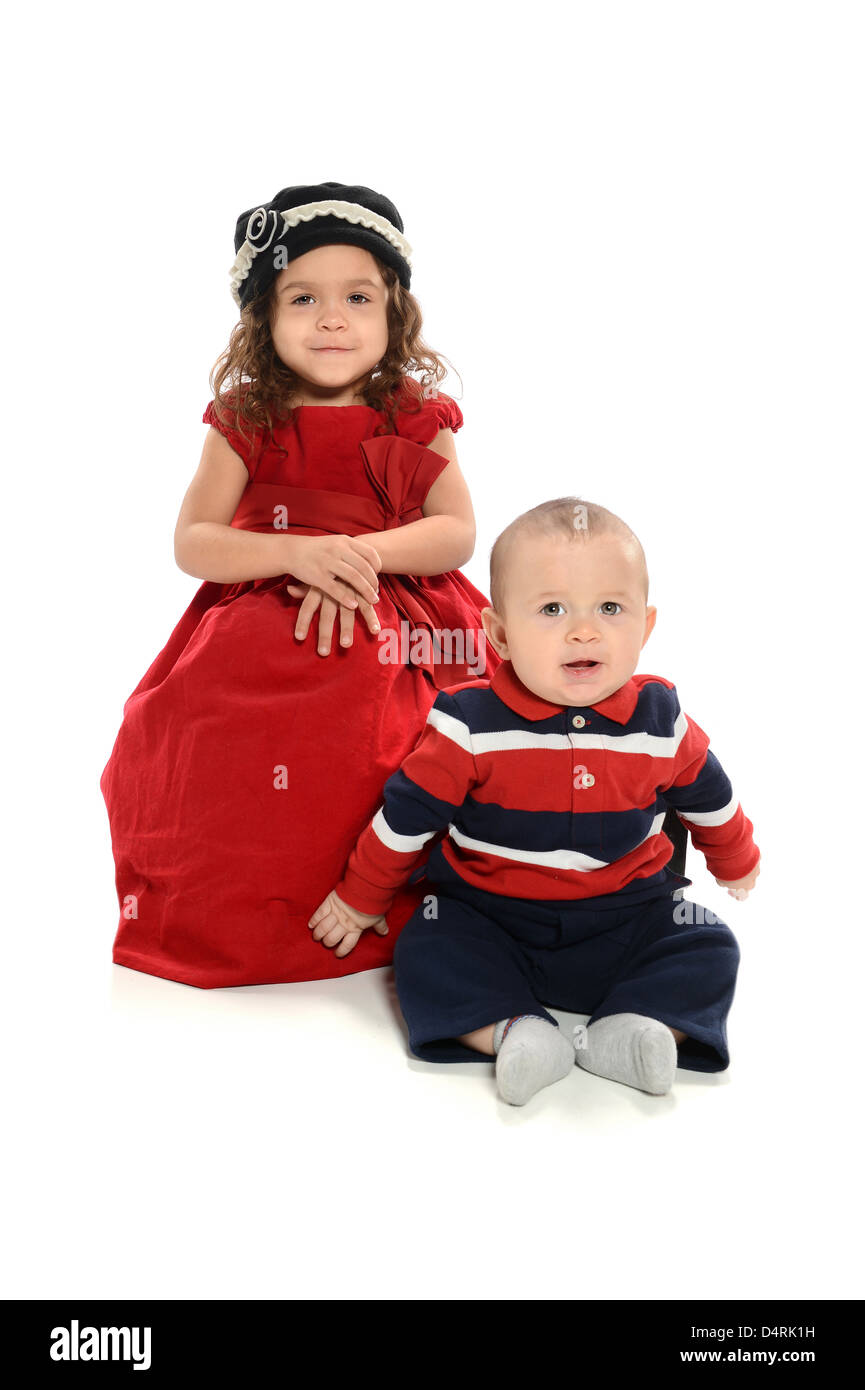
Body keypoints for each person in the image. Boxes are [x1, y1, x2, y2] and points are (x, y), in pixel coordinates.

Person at [100, 181, 500, 989]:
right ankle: (248, 910)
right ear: (263, 319)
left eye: (357, 297)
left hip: (403, 612)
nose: (331, 318)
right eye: (302, 298)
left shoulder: (416, 413)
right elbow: (195, 541)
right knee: (218, 733)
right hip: (264, 611)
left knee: (414, 738)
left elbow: (455, 529)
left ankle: (413, 899)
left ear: (393, 315)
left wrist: (359, 556)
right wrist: (295, 556)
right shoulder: (247, 418)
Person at [309, 498, 761, 1105]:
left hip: (626, 915)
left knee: (706, 941)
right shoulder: (469, 721)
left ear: (646, 627)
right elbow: (406, 818)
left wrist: (737, 860)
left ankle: (639, 1026)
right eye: (552, 609)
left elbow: (711, 799)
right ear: (499, 634)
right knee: (427, 945)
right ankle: (511, 1032)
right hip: (492, 918)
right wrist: (360, 897)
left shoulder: (660, 718)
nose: (584, 629)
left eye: (610, 608)